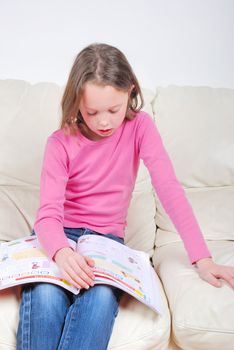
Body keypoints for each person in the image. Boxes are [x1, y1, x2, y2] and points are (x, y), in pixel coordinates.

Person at [16, 43, 234, 350]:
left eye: (113, 110)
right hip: (58, 238)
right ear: (76, 101)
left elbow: (169, 189)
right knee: (45, 295)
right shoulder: (60, 142)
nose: (104, 122)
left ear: (130, 92)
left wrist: (203, 257)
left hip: (107, 243)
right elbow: (48, 214)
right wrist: (62, 253)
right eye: (92, 112)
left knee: (102, 299)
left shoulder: (141, 127)